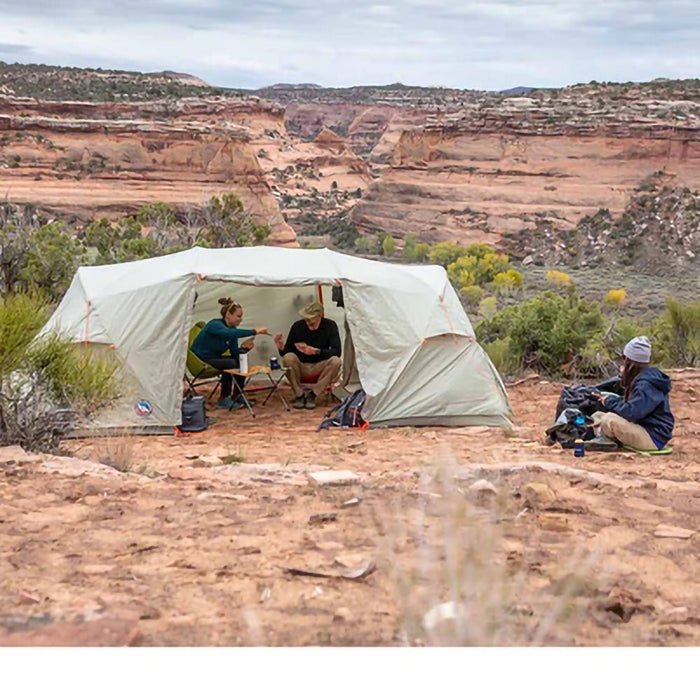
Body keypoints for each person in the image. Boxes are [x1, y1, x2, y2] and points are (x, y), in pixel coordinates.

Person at [589, 336, 674, 451]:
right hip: (645, 428)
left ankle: (604, 438)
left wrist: (609, 401)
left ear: (631, 362)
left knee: (609, 419)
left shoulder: (646, 385)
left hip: (652, 437)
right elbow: (634, 405)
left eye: (625, 358)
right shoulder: (646, 378)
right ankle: (603, 435)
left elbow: (632, 412)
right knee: (599, 415)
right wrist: (609, 399)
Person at [190, 297, 269, 410]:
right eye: (238, 316)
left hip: (214, 358)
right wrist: (254, 331)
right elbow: (227, 333)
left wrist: (244, 349)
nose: (240, 320)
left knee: (240, 361)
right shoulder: (214, 324)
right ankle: (223, 398)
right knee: (230, 363)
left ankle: (237, 394)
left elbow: (234, 352)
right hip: (200, 359)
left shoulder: (232, 331)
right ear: (228, 314)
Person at [274, 300, 341, 409]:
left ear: (320, 316)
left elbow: (337, 351)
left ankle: (313, 394)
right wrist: (281, 348)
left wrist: (316, 351)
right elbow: (288, 351)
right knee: (288, 358)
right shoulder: (298, 326)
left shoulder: (330, 326)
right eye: (306, 319)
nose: (308, 322)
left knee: (336, 361)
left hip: (319, 365)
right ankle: (299, 394)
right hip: (301, 366)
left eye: (311, 319)